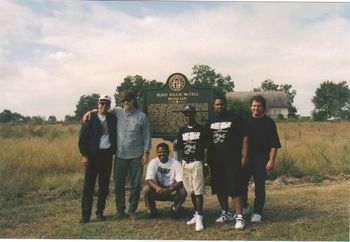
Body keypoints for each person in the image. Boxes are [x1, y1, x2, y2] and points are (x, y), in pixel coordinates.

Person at [83, 90, 151, 218]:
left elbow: (147, 136)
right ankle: (120, 210)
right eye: (123, 101)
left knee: (135, 185)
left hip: (136, 156)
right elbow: (102, 110)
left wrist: (146, 152)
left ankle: (132, 210)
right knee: (119, 184)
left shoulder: (142, 117)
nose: (125, 102)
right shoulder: (117, 112)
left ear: (133, 101)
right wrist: (89, 112)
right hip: (120, 156)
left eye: (128, 100)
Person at [205, 96, 248, 230]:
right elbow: (207, 143)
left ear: (225, 105)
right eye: (217, 105)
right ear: (214, 106)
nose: (220, 107)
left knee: (234, 187)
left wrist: (244, 155)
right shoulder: (210, 121)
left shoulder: (235, 118)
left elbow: (245, 137)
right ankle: (225, 212)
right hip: (216, 161)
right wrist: (206, 161)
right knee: (219, 187)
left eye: (222, 104)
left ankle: (239, 215)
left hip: (232, 159)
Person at [242, 95, 281, 223]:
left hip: (262, 157)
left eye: (258, 106)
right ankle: (245, 206)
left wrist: (271, 160)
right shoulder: (246, 121)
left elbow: (274, 144)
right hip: (247, 157)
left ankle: (258, 211)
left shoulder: (269, 122)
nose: (256, 108)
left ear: (263, 107)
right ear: (250, 107)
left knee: (259, 185)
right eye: (254, 106)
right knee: (242, 183)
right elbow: (242, 141)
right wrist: (243, 157)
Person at [78, 95, 117, 223]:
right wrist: (84, 155)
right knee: (89, 187)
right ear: (98, 104)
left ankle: (100, 212)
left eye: (107, 104)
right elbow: (82, 139)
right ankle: (86, 215)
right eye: (102, 103)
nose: (104, 106)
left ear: (109, 106)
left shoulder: (112, 118)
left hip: (106, 155)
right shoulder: (90, 118)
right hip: (92, 157)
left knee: (104, 186)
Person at [176, 104, 207, 231]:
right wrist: (180, 164)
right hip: (186, 163)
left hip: (197, 162)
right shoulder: (182, 130)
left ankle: (200, 218)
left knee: (198, 191)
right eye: (186, 114)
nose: (189, 116)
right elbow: (179, 148)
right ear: (185, 115)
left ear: (195, 114)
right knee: (192, 191)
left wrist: (205, 163)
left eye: (191, 113)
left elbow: (205, 148)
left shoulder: (201, 129)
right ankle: (196, 213)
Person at [142, 143, 187, 219]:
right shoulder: (153, 162)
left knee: (183, 191)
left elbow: (181, 181)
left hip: (171, 190)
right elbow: (149, 179)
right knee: (146, 189)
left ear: (168, 152)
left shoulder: (176, 163)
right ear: (157, 153)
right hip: (158, 190)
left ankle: (175, 209)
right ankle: (152, 211)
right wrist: (157, 188)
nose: (162, 154)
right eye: (159, 152)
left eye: (164, 152)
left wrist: (170, 189)